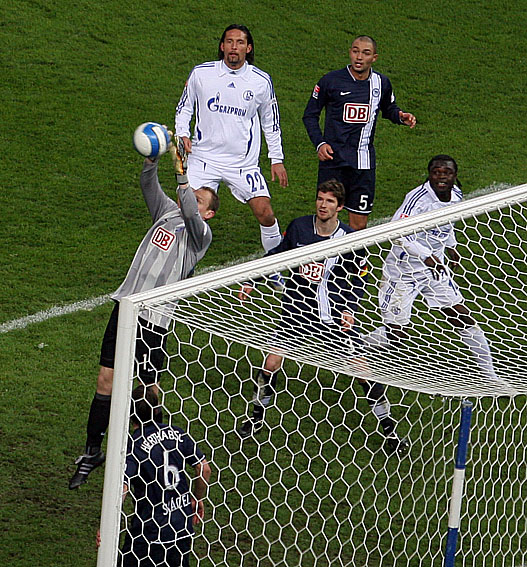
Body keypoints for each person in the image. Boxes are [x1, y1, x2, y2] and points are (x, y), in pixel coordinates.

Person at [69, 137, 219, 490]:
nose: (191, 200)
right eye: (192, 196)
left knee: (149, 389)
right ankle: (92, 452)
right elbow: (148, 185)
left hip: (154, 318)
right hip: (125, 307)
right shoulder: (166, 211)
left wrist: (182, 174)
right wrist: (152, 160)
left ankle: (156, 451)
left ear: (209, 213)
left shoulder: (200, 235)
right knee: (105, 380)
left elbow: (188, 207)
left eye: (199, 200)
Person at [237, 179, 409, 455]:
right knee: (270, 363)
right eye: (320, 199)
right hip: (296, 313)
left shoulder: (349, 239)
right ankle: (256, 417)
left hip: (333, 316)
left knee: (362, 371)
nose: (323, 205)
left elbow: (359, 278)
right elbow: (276, 256)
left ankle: (390, 431)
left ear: (340, 207)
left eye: (329, 201)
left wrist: (350, 309)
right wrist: (251, 280)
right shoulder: (299, 227)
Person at [363, 155, 498, 381]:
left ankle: (489, 375)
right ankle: (357, 346)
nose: (441, 177)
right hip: (403, 272)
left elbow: (447, 223)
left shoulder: (456, 194)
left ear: (455, 175)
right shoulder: (417, 199)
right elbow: (396, 232)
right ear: (429, 174)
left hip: (434, 270)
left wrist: (451, 247)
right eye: (436, 172)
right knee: (397, 336)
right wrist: (425, 256)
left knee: (462, 316)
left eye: (447, 173)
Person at [175, 24, 288, 259]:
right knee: (184, 212)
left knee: (265, 212)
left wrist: (276, 158)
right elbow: (184, 107)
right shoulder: (202, 73)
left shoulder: (260, 81)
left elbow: (271, 122)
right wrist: (182, 134)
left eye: (239, 42)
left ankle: (276, 264)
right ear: (222, 46)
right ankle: (178, 265)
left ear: (249, 48)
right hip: (203, 158)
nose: (234, 47)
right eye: (229, 42)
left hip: (242, 164)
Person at [302, 35, 416, 231]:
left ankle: (352, 253)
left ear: (374, 58)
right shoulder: (331, 81)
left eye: (365, 53)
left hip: (363, 164)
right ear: (350, 52)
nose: (359, 57)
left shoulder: (381, 83)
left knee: (359, 226)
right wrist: (320, 143)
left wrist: (399, 116)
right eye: (355, 51)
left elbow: (388, 107)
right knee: (326, 218)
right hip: (333, 161)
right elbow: (310, 115)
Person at [96, 385, 211, 567]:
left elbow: (123, 488)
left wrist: (107, 525)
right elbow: (204, 468)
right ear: (157, 410)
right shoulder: (177, 433)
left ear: (129, 413)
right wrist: (197, 499)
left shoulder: (133, 445)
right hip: (181, 528)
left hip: (150, 535)